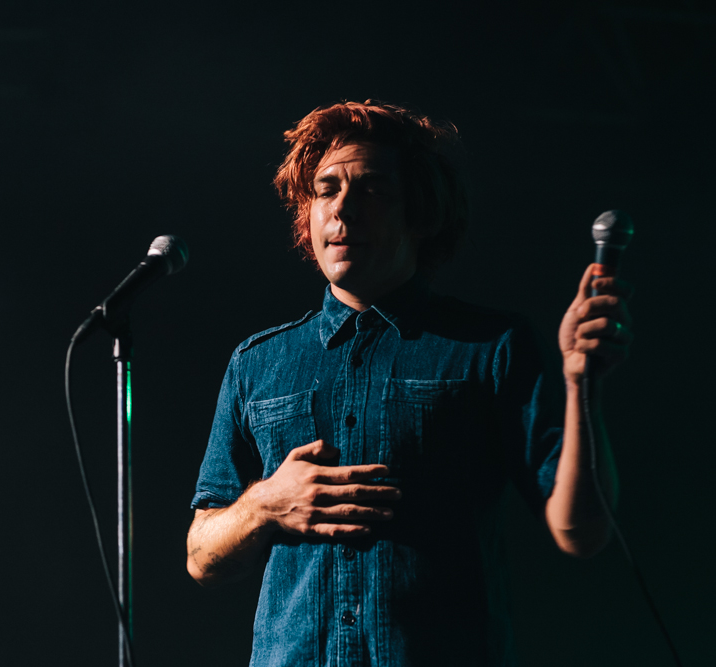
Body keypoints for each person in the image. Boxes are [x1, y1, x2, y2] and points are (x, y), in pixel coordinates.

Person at [186, 101, 632, 666]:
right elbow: (201, 556)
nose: (341, 209)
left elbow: (581, 532)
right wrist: (265, 507)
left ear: (421, 213)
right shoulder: (257, 362)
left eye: (370, 189)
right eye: (325, 190)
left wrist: (580, 384)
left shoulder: (491, 347)